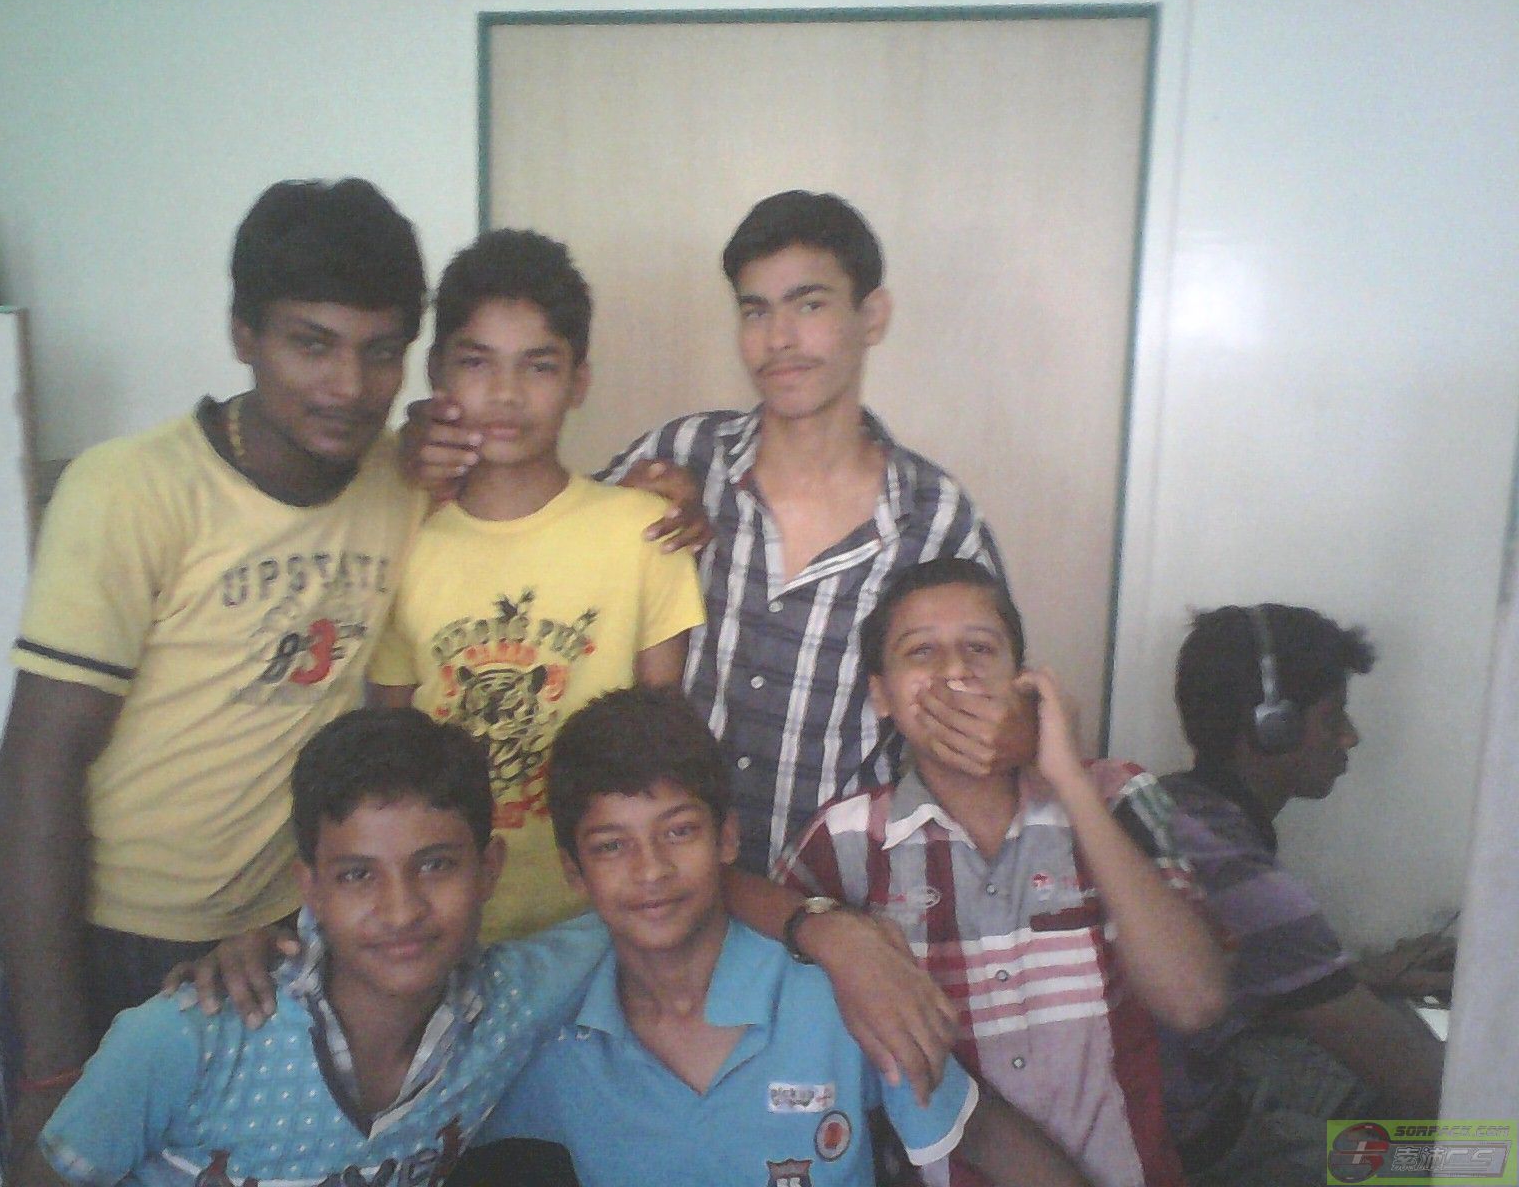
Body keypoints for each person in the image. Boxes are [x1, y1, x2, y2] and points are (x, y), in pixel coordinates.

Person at [0, 177, 428, 1172]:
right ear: (243, 333)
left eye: (380, 350)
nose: (348, 385)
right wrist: (52, 1063)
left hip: (269, 943)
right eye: (311, 343)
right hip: (91, 938)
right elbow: (39, 764)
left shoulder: (400, 479)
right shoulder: (130, 490)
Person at [407, 191, 1026, 875]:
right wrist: (419, 454)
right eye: (755, 310)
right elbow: (527, 538)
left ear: (872, 316)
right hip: (663, 892)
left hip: (842, 893)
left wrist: (1021, 729)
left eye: (809, 305)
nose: (779, 338)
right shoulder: (680, 456)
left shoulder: (936, 519)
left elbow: (1005, 707)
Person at [474, 685, 1094, 1187]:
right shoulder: (547, 1031)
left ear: (727, 838)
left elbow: (982, 1130)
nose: (651, 870)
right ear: (573, 871)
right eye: (612, 846)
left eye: (679, 831)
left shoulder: (838, 994)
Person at [15, 707, 609, 1187]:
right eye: (357, 875)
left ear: (488, 869)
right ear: (312, 889)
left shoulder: (508, 1003)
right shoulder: (188, 1038)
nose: (401, 910)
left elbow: (631, 918)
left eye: (435, 865)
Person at [774, 559, 1228, 1187]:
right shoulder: (842, 842)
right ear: (881, 694)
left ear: (1023, 679)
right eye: (921, 652)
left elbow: (1196, 1001)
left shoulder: (1117, 794)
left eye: (980, 649)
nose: (955, 671)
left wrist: (1067, 777)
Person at [367, 228, 705, 942]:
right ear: (436, 372)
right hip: (444, 919)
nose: (505, 394)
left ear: (579, 380)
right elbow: (394, 755)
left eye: (539, 366)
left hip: (596, 919)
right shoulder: (402, 543)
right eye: (477, 362)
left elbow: (659, 747)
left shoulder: (644, 533)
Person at [1158, 604, 1447, 1187]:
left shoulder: (1174, 806)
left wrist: (1369, 974)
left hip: (1184, 1088)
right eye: (1333, 717)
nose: (1350, 737)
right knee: (1485, 1152)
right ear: (1272, 727)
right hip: (1200, 1148)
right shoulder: (1240, 877)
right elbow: (1425, 1083)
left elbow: (1251, 983)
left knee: (1387, 1019)